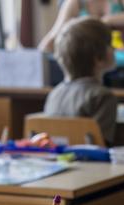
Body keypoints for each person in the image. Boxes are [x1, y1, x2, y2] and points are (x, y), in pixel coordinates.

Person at [43, 17, 118, 145]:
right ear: (98, 59)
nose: (115, 49)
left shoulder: (54, 94)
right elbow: (99, 144)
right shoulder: (103, 96)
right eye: (110, 44)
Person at [38, 0, 124, 53]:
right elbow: (54, 35)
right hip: (86, 58)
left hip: (122, 55)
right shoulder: (74, 2)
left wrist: (107, 20)